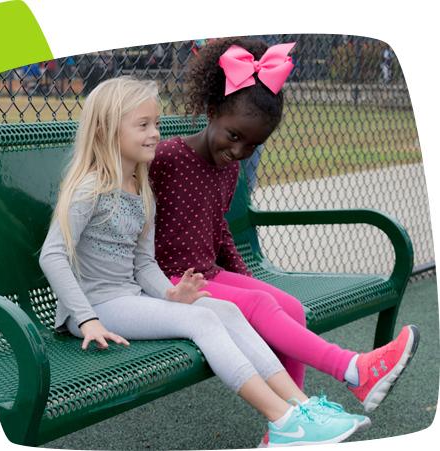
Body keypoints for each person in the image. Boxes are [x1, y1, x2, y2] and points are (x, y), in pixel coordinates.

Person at [39, 76, 364, 449]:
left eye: (156, 124)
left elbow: (143, 263)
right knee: (204, 319)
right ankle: (284, 422)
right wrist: (86, 317)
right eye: (142, 125)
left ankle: (303, 409)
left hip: (127, 299)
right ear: (104, 131)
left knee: (224, 309)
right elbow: (53, 254)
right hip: (97, 308)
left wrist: (170, 293)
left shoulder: (141, 188)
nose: (154, 133)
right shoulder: (89, 187)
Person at [148, 38, 420, 449]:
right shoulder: (166, 157)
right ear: (211, 111)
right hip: (168, 284)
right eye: (233, 135)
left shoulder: (228, 169)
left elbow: (217, 229)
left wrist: (247, 280)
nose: (238, 151)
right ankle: (354, 370)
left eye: (253, 146)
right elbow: (126, 215)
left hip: (207, 274)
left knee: (289, 307)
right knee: (261, 306)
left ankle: (287, 432)